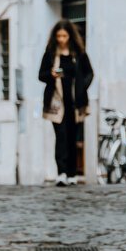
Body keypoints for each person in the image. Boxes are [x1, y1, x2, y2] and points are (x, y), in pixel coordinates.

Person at [39, 21, 92, 186]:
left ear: (70, 36)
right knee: (61, 136)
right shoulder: (50, 54)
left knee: (72, 137)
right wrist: (51, 74)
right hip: (57, 102)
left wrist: (82, 88)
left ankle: (72, 174)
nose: (61, 39)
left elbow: (89, 73)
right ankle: (61, 172)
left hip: (75, 102)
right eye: (58, 36)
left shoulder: (79, 53)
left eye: (64, 36)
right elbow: (41, 75)